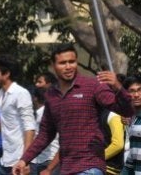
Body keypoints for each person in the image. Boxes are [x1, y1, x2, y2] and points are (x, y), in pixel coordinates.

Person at [11, 43, 134, 175]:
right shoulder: (51, 94)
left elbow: (127, 111)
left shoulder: (93, 86)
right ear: (53, 65)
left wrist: (118, 86)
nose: (68, 67)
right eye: (63, 63)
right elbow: (45, 134)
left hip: (90, 166)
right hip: (66, 167)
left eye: (72, 62)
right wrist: (24, 160)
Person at [28, 88, 58, 175]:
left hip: (46, 159)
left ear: (34, 98)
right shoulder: (41, 113)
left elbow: (43, 137)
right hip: (40, 159)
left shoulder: (43, 113)